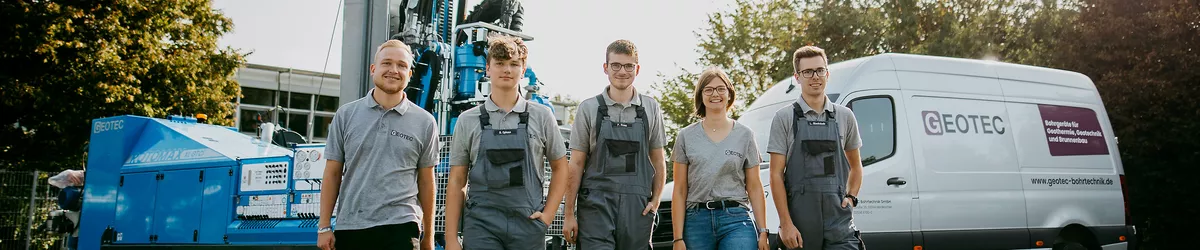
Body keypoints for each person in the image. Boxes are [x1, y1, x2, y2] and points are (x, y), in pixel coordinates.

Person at [443, 34, 569, 250]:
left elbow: (561, 168)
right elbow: (456, 181)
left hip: (528, 224)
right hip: (482, 227)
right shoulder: (468, 120)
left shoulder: (541, 116)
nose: (507, 70)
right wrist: (451, 239)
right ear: (488, 68)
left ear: (523, 68)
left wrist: (547, 216)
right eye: (500, 63)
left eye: (514, 64)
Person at [317, 40, 439, 250]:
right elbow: (332, 174)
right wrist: (324, 226)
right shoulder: (346, 115)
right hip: (352, 227)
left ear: (410, 74)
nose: (394, 70)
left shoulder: (425, 122)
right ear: (373, 69)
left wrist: (428, 235)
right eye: (387, 63)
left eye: (402, 65)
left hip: (402, 227)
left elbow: (427, 182)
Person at [563, 39, 668, 249]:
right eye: (616, 65)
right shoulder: (588, 108)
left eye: (629, 66)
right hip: (595, 205)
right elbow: (575, 164)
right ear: (606, 67)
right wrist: (568, 214)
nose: (622, 71)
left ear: (637, 69)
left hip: (637, 208)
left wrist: (655, 201)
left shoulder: (650, 108)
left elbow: (658, 159)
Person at [768, 45, 866, 250]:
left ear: (827, 73)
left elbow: (856, 166)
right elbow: (775, 175)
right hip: (799, 223)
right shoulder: (784, 118)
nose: (815, 77)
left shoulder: (845, 116)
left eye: (820, 70)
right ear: (797, 77)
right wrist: (786, 224)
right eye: (808, 72)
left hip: (838, 221)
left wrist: (851, 197)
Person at [670, 67, 769, 250]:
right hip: (696, 221)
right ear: (700, 96)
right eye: (708, 89)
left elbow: (754, 186)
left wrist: (763, 231)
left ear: (729, 94)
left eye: (720, 88)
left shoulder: (745, 135)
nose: (715, 94)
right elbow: (680, 189)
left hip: (736, 219)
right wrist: (677, 238)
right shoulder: (685, 136)